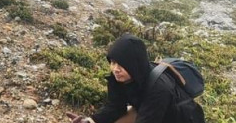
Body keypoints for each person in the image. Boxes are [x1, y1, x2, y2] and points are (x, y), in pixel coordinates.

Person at [66, 33, 205, 123]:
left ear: (133, 64)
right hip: (149, 112)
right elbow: (115, 108)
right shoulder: (119, 78)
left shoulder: (160, 88)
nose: (115, 69)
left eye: (122, 64)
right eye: (113, 62)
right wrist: (91, 120)